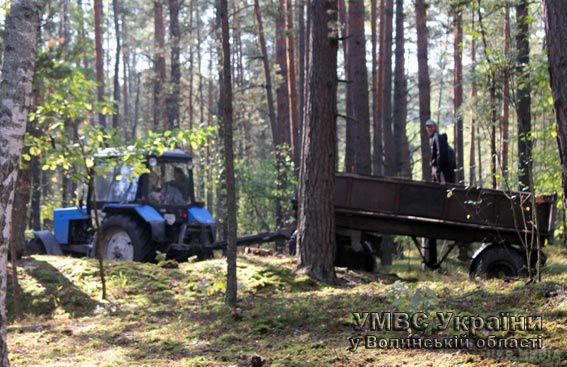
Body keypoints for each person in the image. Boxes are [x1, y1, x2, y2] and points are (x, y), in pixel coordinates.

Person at [425, 119, 456, 184]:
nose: (429, 129)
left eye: (431, 127)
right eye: (428, 127)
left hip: (444, 168)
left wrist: (438, 168)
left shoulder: (437, 137)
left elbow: (441, 153)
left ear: (435, 127)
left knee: (445, 186)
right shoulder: (433, 138)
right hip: (444, 167)